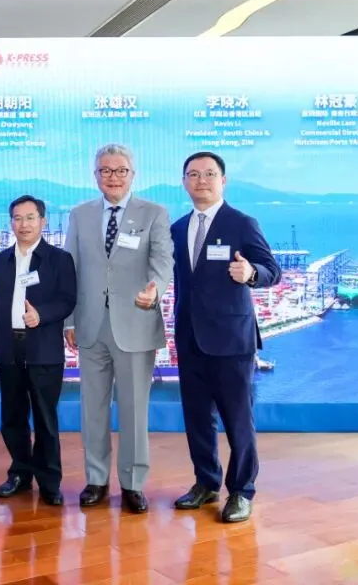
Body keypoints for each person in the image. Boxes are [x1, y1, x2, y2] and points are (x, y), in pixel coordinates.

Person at [170, 151, 280, 523]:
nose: (201, 180)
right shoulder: (177, 228)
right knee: (197, 418)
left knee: (238, 420)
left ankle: (242, 491)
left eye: (209, 174)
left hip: (232, 340)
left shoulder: (242, 223)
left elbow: (272, 270)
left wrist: (251, 274)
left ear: (223, 180)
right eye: (193, 174)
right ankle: (206, 483)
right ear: (184, 182)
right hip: (189, 339)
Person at [64, 144, 173, 514]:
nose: (113, 177)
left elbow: (163, 261)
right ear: (96, 175)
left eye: (120, 170)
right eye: (105, 171)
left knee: (134, 409)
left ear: (132, 174)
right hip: (89, 325)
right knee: (92, 409)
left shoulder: (154, 213)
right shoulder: (80, 215)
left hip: (136, 323)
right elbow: (70, 268)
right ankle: (96, 480)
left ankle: (133, 483)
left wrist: (156, 289)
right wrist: (68, 320)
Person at [0, 196, 77, 504]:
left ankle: (50, 482)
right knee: (12, 417)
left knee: (45, 419)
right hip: (9, 348)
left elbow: (68, 300)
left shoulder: (59, 259)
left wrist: (42, 314)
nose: (23, 224)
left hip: (44, 349)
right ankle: (20, 474)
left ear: (43, 221)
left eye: (30, 218)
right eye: (17, 218)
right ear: (10, 223)